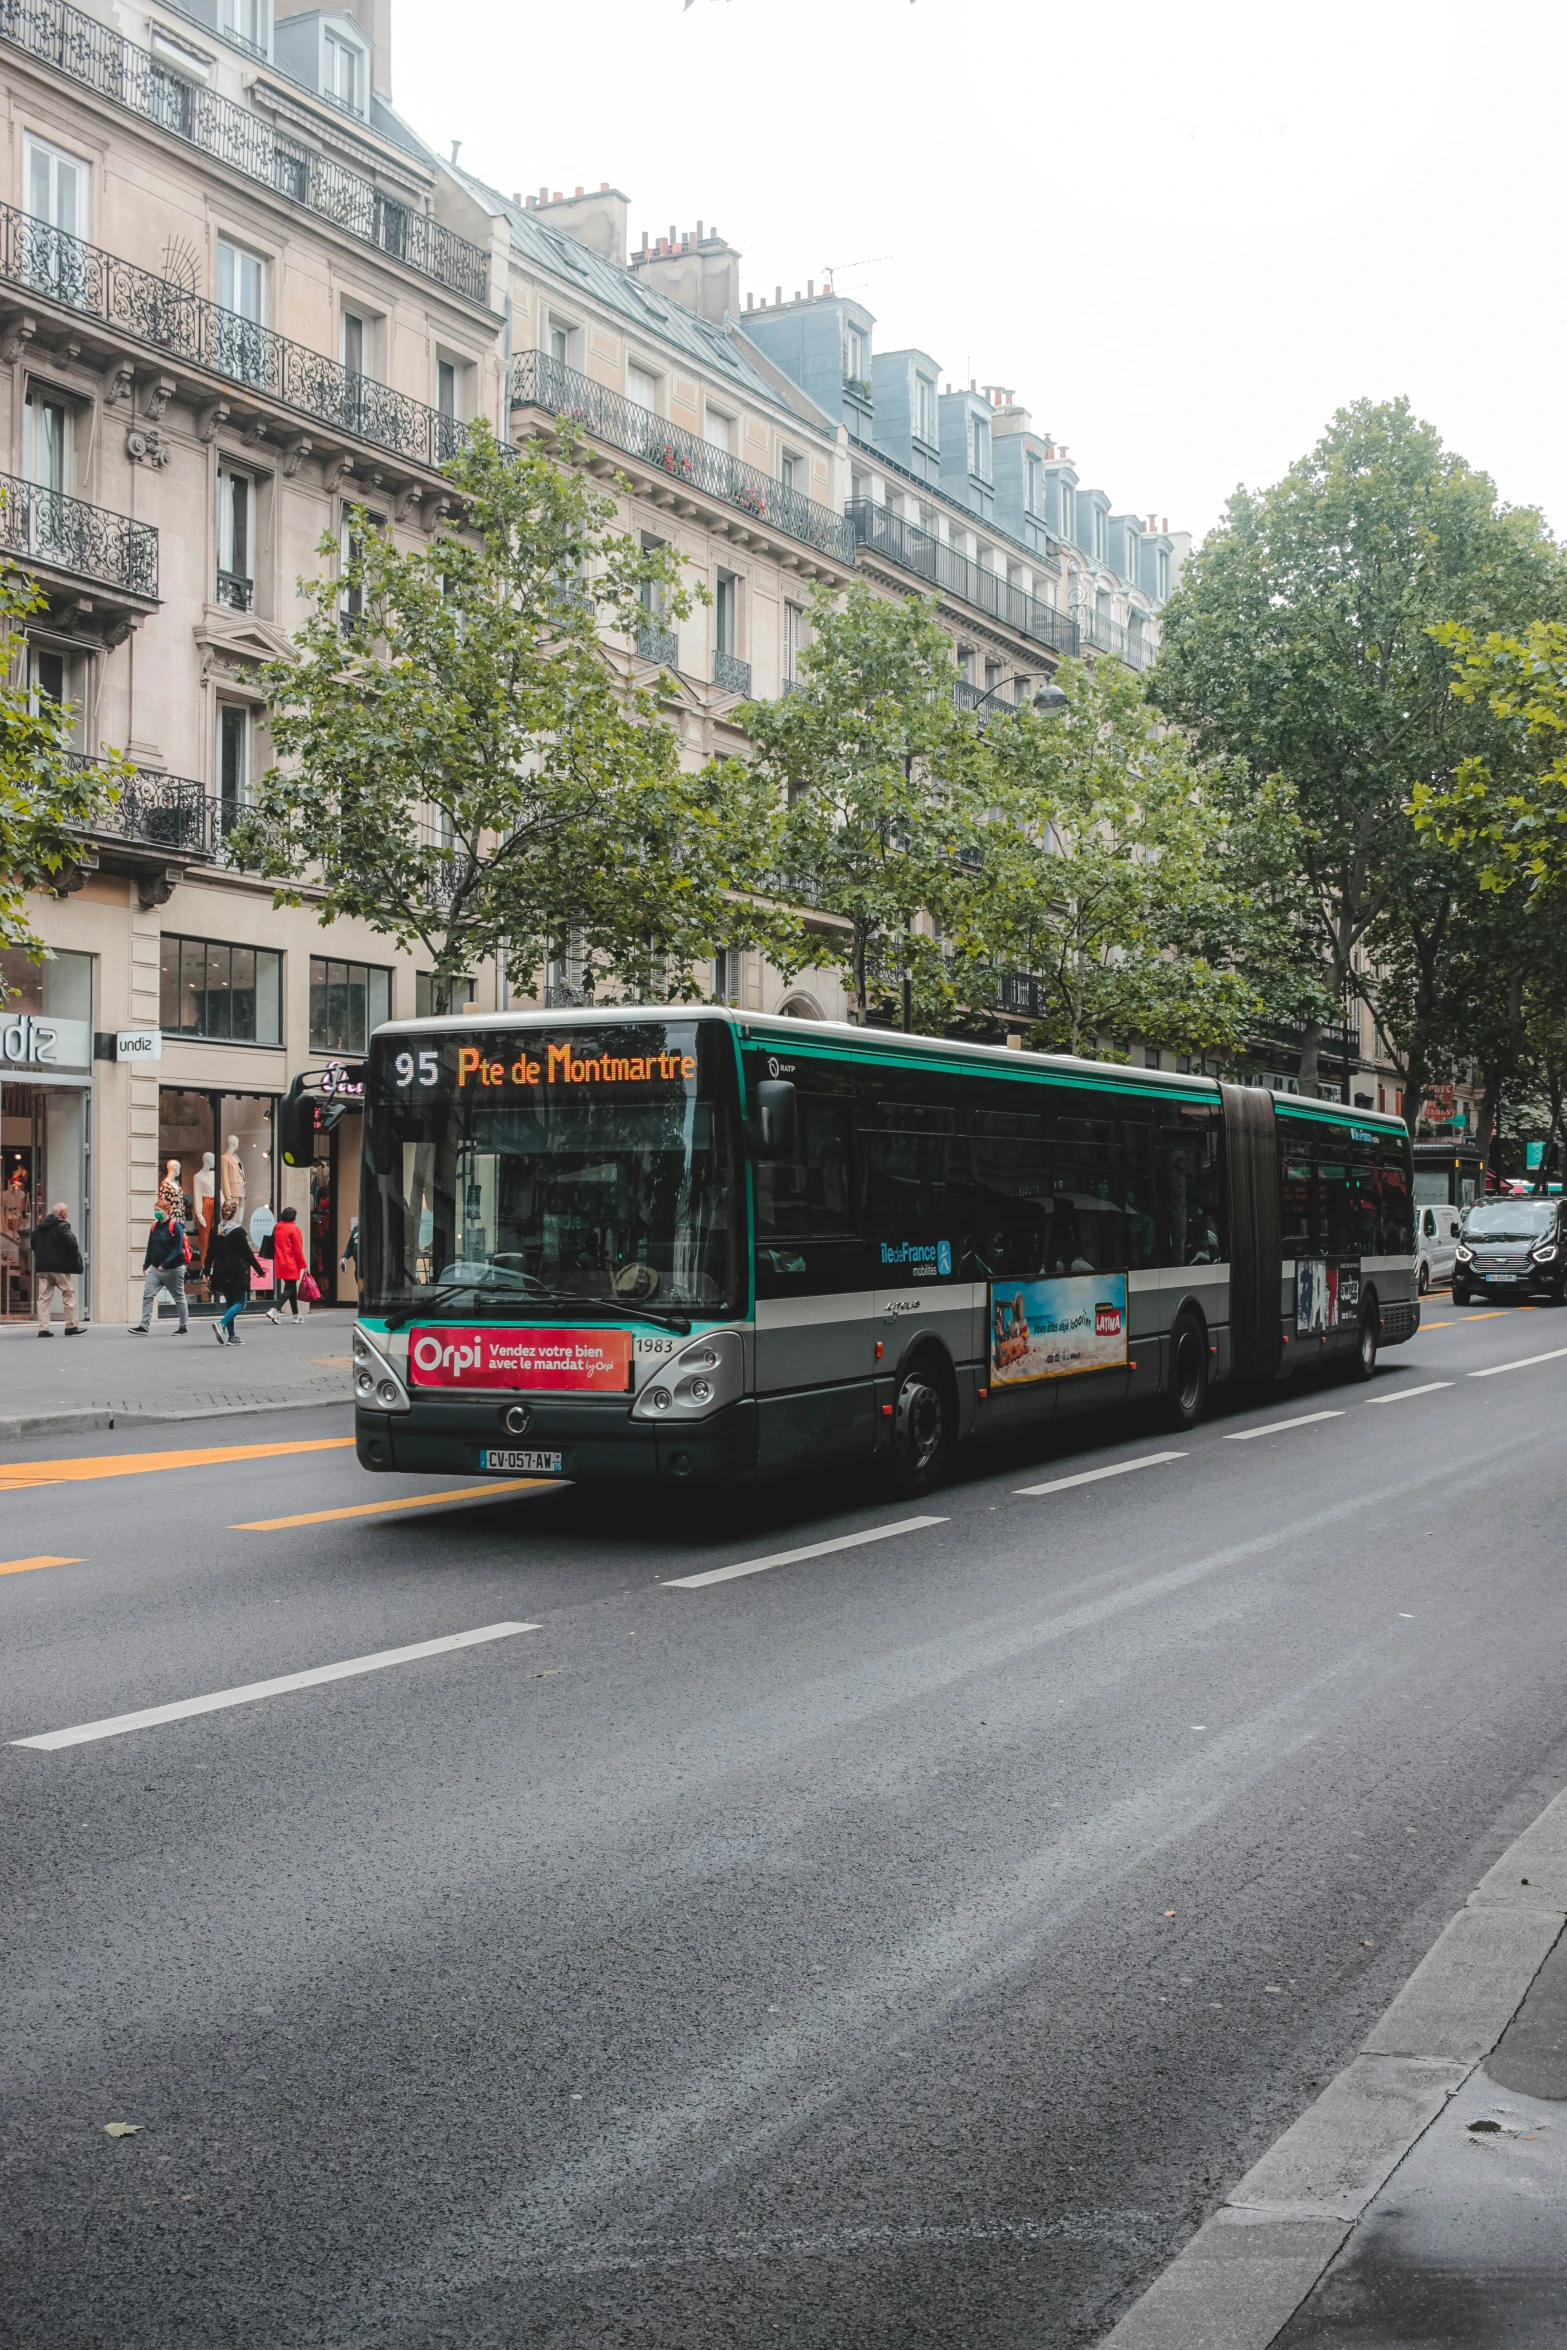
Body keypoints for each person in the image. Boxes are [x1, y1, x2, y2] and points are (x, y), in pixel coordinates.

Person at [130, 1207, 191, 1334]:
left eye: (159, 1210)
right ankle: (144, 1326)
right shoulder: (154, 1226)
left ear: (167, 1211)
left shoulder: (175, 1226)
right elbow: (150, 1247)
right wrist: (146, 1265)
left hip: (173, 1269)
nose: (156, 1212)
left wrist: (165, 1264)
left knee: (179, 1297)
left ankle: (183, 1326)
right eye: (155, 1210)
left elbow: (178, 1249)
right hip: (155, 1268)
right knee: (148, 1295)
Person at [27, 1201, 84, 1335]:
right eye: (66, 1211)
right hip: (60, 1268)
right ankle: (71, 1326)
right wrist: (72, 1260)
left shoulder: (39, 1228)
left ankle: (43, 1328)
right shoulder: (62, 1227)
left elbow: (33, 1244)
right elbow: (72, 1244)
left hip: (42, 1268)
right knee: (68, 1294)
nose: (67, 1214)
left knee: (43, 1298)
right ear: (61, 1213)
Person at [208, 1213, 265, 1346]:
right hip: (236, 1271)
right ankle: (221, 1324)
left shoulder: (215, 1229)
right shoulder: (238, 1231)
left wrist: (206, 1271)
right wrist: (259, 1270)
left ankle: (232, 1336)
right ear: (236, 1214)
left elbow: (210, 1252)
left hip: (221, 1271)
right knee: (241, 1302)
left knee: (230, 1302)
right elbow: (248, 1253)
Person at [266, 1204, 307, 1323]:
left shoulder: (277, 1227)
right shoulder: (295, 1229)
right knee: (289, 1289)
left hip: (280, 1261)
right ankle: (275, 1310)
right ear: (294, 1218)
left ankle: (296, 1315)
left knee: (291, 1288)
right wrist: (304, 1265)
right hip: (291, 1262)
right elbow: (298, 1250)